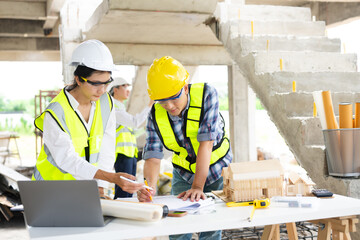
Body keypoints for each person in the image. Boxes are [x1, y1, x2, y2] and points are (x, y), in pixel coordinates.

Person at [32, 39, 144, 198]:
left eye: (106, 83)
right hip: (50, 190)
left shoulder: (106, 104)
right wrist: (111, 177)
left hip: (83, 190)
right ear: (78, 79)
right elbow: (66, 159)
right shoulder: (56, 112)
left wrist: (100, 186)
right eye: (96, 83)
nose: (102, 90)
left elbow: (107, 149)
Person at [137, 56, 233, 240]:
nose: (169, 106)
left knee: (210, 227)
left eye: (173, 98)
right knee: (178, 226)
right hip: (183, 173)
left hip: (216, 171)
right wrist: (149, 189)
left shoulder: (207, 95)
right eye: (162, 101)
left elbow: (206, 143)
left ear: (185, 87)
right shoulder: (155, 115)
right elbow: (153, 156)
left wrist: (198, 186)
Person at [108, 77, 153, 198]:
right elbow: (135, 122)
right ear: (115, 90)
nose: (128, 90)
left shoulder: (121, 110)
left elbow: (132, 130)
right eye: (124, 87)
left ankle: (125, 211)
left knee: (129, 189)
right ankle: (119, 212)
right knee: (124, 190)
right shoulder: (114, 109)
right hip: (122, 154)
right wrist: (150, 104)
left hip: (130, 154)